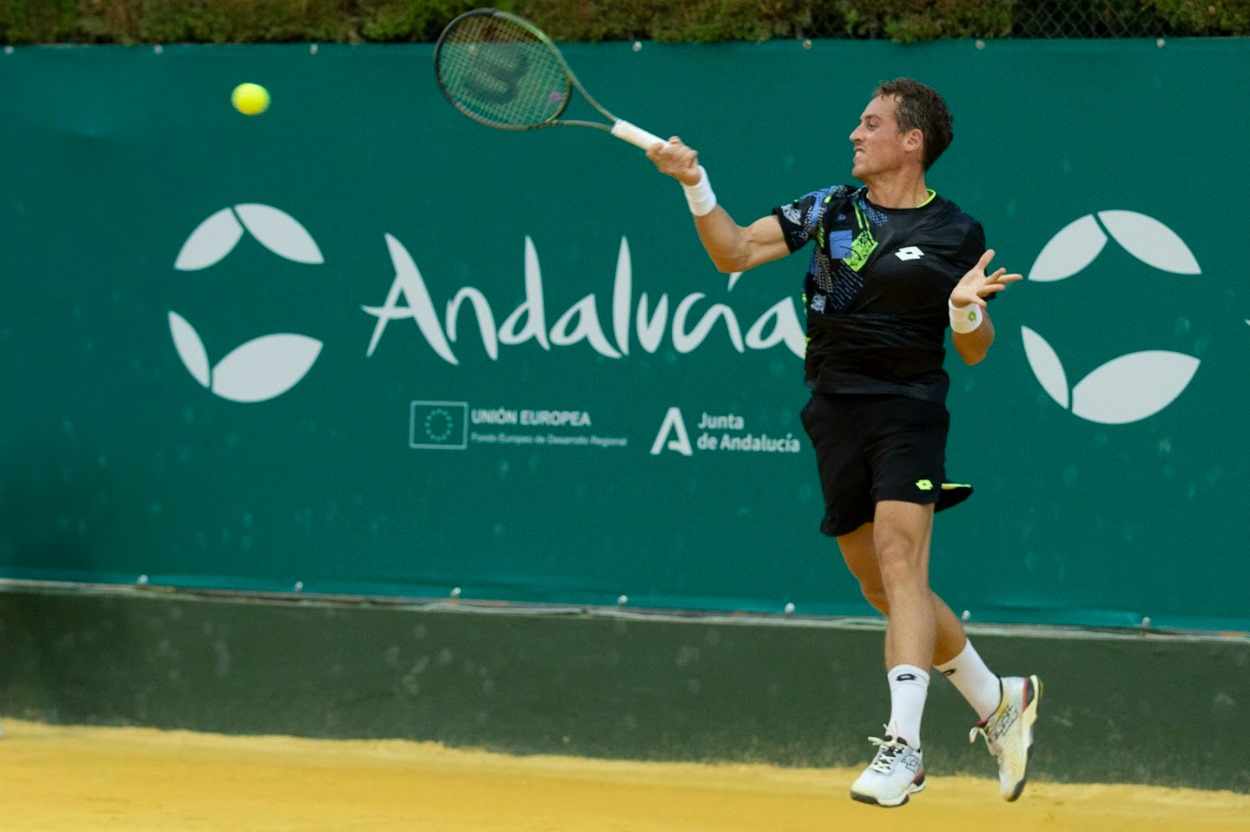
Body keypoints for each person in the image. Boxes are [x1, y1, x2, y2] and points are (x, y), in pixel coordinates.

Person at [646, 77, 1041, 809]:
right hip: (833, 409)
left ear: (911, 141)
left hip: (909, 409)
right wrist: (695, 183)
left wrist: (962, 313)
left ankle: (904, 748)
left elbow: (979, 348)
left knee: (900, 558)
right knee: (882, 584)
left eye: (871, 124)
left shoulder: (957, 233)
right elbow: (733, 251)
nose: (856, 135)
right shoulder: (829, 207)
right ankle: (997, 698)